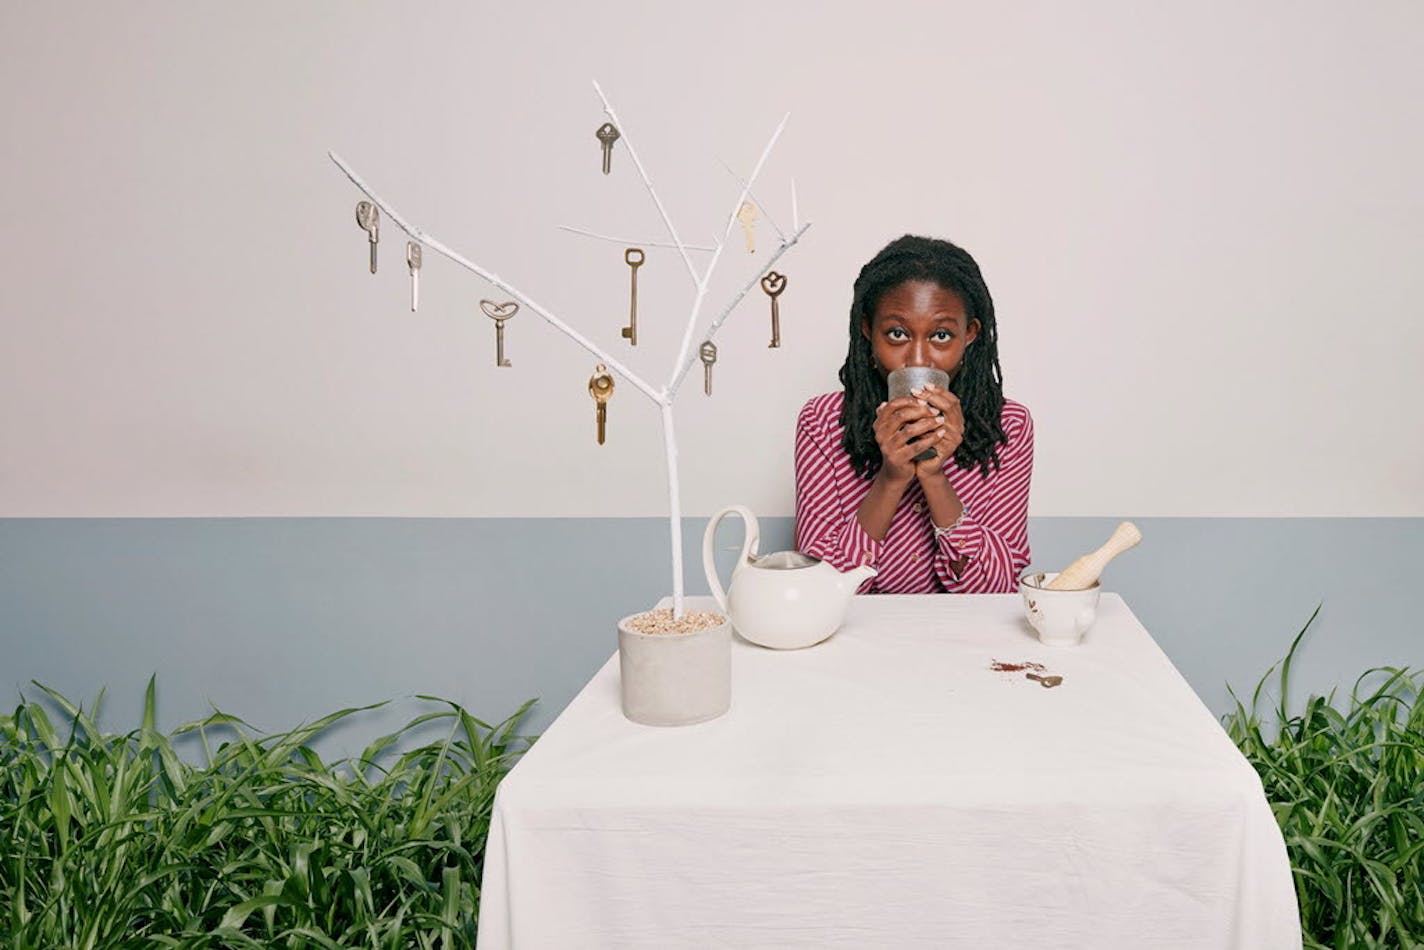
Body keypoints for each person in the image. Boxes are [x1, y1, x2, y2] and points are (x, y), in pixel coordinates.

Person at [794, 235, 1033, 594]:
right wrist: (892, 478)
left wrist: (934, 476)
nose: (918, 360)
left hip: (964, 641)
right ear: (868, 331)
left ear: (969, 335)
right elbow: (817, 590)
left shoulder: (1008, 426)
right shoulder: (822, 423)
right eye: (896, 333)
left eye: (940, 335)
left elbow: (996, 591)